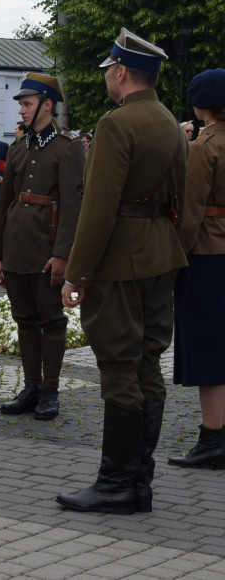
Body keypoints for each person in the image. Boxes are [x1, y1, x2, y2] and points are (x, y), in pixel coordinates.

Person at [57, 28, 187, 515]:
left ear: (122, 72)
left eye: (110, 71)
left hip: (118, 260)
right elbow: (179, 195)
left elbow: (99, 208)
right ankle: (138, 482)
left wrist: (77, 272)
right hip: (160, 253)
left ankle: (115, 484)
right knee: (148, 363)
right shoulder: (170, 123)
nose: (108, 78)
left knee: (117, 365)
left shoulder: (116, 124)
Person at [0, 73, 85, 421]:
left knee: (51, 320)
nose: (22, 110)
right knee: (24, 320)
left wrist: (63, 255)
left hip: (47, 248)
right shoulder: (18, 146)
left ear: (47, 104)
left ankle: (50, 391)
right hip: (16, 247)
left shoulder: (68, 147)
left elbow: (74, 208)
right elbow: (3, 205)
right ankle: (31, 387)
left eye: (28, 103)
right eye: (21, 104)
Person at [169, 68, 225, 469]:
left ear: (198, 104)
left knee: (208, 348)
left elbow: (191, 213)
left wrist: (176, 256)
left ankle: (212, 438)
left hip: (207, 255)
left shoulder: (206, 146)